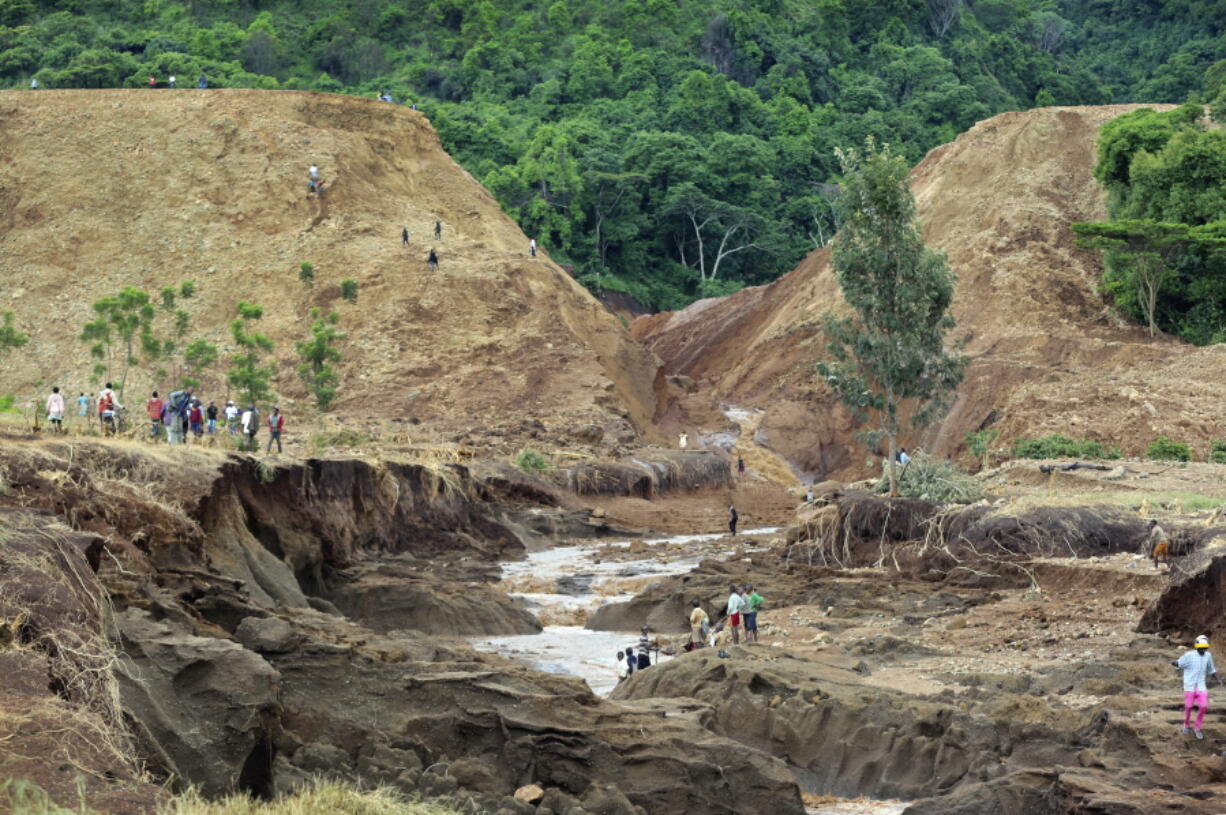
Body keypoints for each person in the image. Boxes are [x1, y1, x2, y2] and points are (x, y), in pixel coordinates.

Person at [1174, 636, 1218, 739]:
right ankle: (1186, 724)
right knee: (1188, 707)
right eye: (1201, 647)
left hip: (1201, 686)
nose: (1203, 649)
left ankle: (1197, 728)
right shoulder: (1189, 655)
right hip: (1189, 686)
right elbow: (1179, 663)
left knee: (1203, 706)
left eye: (1205, 647)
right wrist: (1175, 663)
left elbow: (1211, 669)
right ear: (1196, 647)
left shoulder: (1208, 655)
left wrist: (1217, 679)